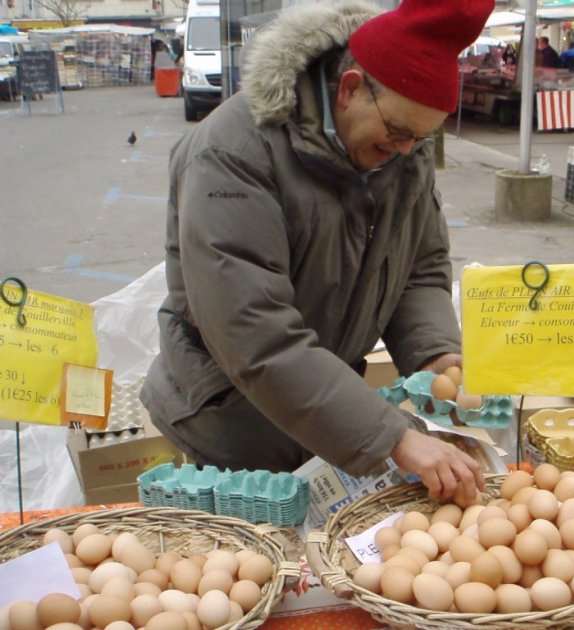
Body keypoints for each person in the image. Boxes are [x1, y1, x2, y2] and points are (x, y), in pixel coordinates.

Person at [139, 0, 495, 507]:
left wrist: (437, 352)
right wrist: (392, 436)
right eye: (397, 133)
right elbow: (252, 332)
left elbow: (417, 271)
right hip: (231, 412)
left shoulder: (402, 154)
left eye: (421, 139)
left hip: (332, 407)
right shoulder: (232, 153)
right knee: (260, 564)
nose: (404, 151)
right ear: (349, 88)